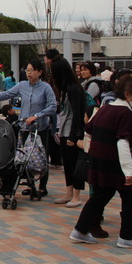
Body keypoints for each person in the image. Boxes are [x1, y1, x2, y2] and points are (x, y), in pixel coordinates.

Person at [69, 74, 132, 249]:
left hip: (99, 161)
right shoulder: (125, 114)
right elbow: (123, 143)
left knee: (100, 195)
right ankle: (126, 237)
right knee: (131, 197)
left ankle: (80, 230)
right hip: (116, 163)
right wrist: (129, 171)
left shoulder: (105, 108)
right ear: (128, 94)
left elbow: (88, 130)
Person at [0, 59, 57, 197]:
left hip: (40, 127)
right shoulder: (22, 85)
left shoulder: (46, 88)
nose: (29, 73)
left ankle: (42, 187)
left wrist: (37, 116)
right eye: (27, 70)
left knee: (41, 156)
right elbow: (6, 94)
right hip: (24, 127)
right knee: (24, 157)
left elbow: (53, 107)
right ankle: (31, 184)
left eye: (32, 70)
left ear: (40, 72)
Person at [49, 58, 86, 208]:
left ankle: (77, 195)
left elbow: (78, 113)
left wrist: (72, 136)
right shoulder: (65, 89)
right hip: (64, 131)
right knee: (68, 165)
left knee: (75, 164)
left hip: (73, 132)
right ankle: (69, 193)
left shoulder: (73, 89)